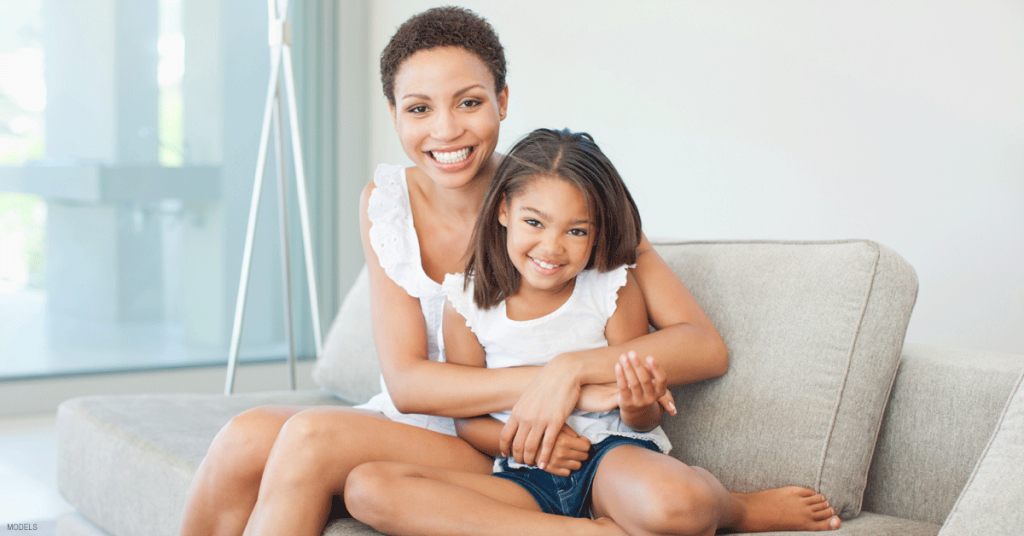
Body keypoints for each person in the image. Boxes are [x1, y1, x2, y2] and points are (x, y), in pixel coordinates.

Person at [177, 8, 838, 536]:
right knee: (241, 440)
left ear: (501, 100)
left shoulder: (553, 198)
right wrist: (549, 384)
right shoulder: (386, 204)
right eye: (418, 109)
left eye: (468, 102)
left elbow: (701, 344)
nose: (445, 130)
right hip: (429, 419)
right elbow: (407, 382)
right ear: (395, 115)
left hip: (494, 436)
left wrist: (568, 372)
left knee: (311, 438)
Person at [343, 128, 840, 536]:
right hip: (523, 476)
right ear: (502, 212)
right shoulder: (466, 304)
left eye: (576, 231)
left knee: (680, 507)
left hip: (610, 458)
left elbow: (639, 416)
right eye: (534, 222)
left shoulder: (610, 289)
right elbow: (469, 423)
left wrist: (638, 402)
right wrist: (523, 446)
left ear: (597, 232)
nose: (552, 247)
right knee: (367, 488)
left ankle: (738, 510)